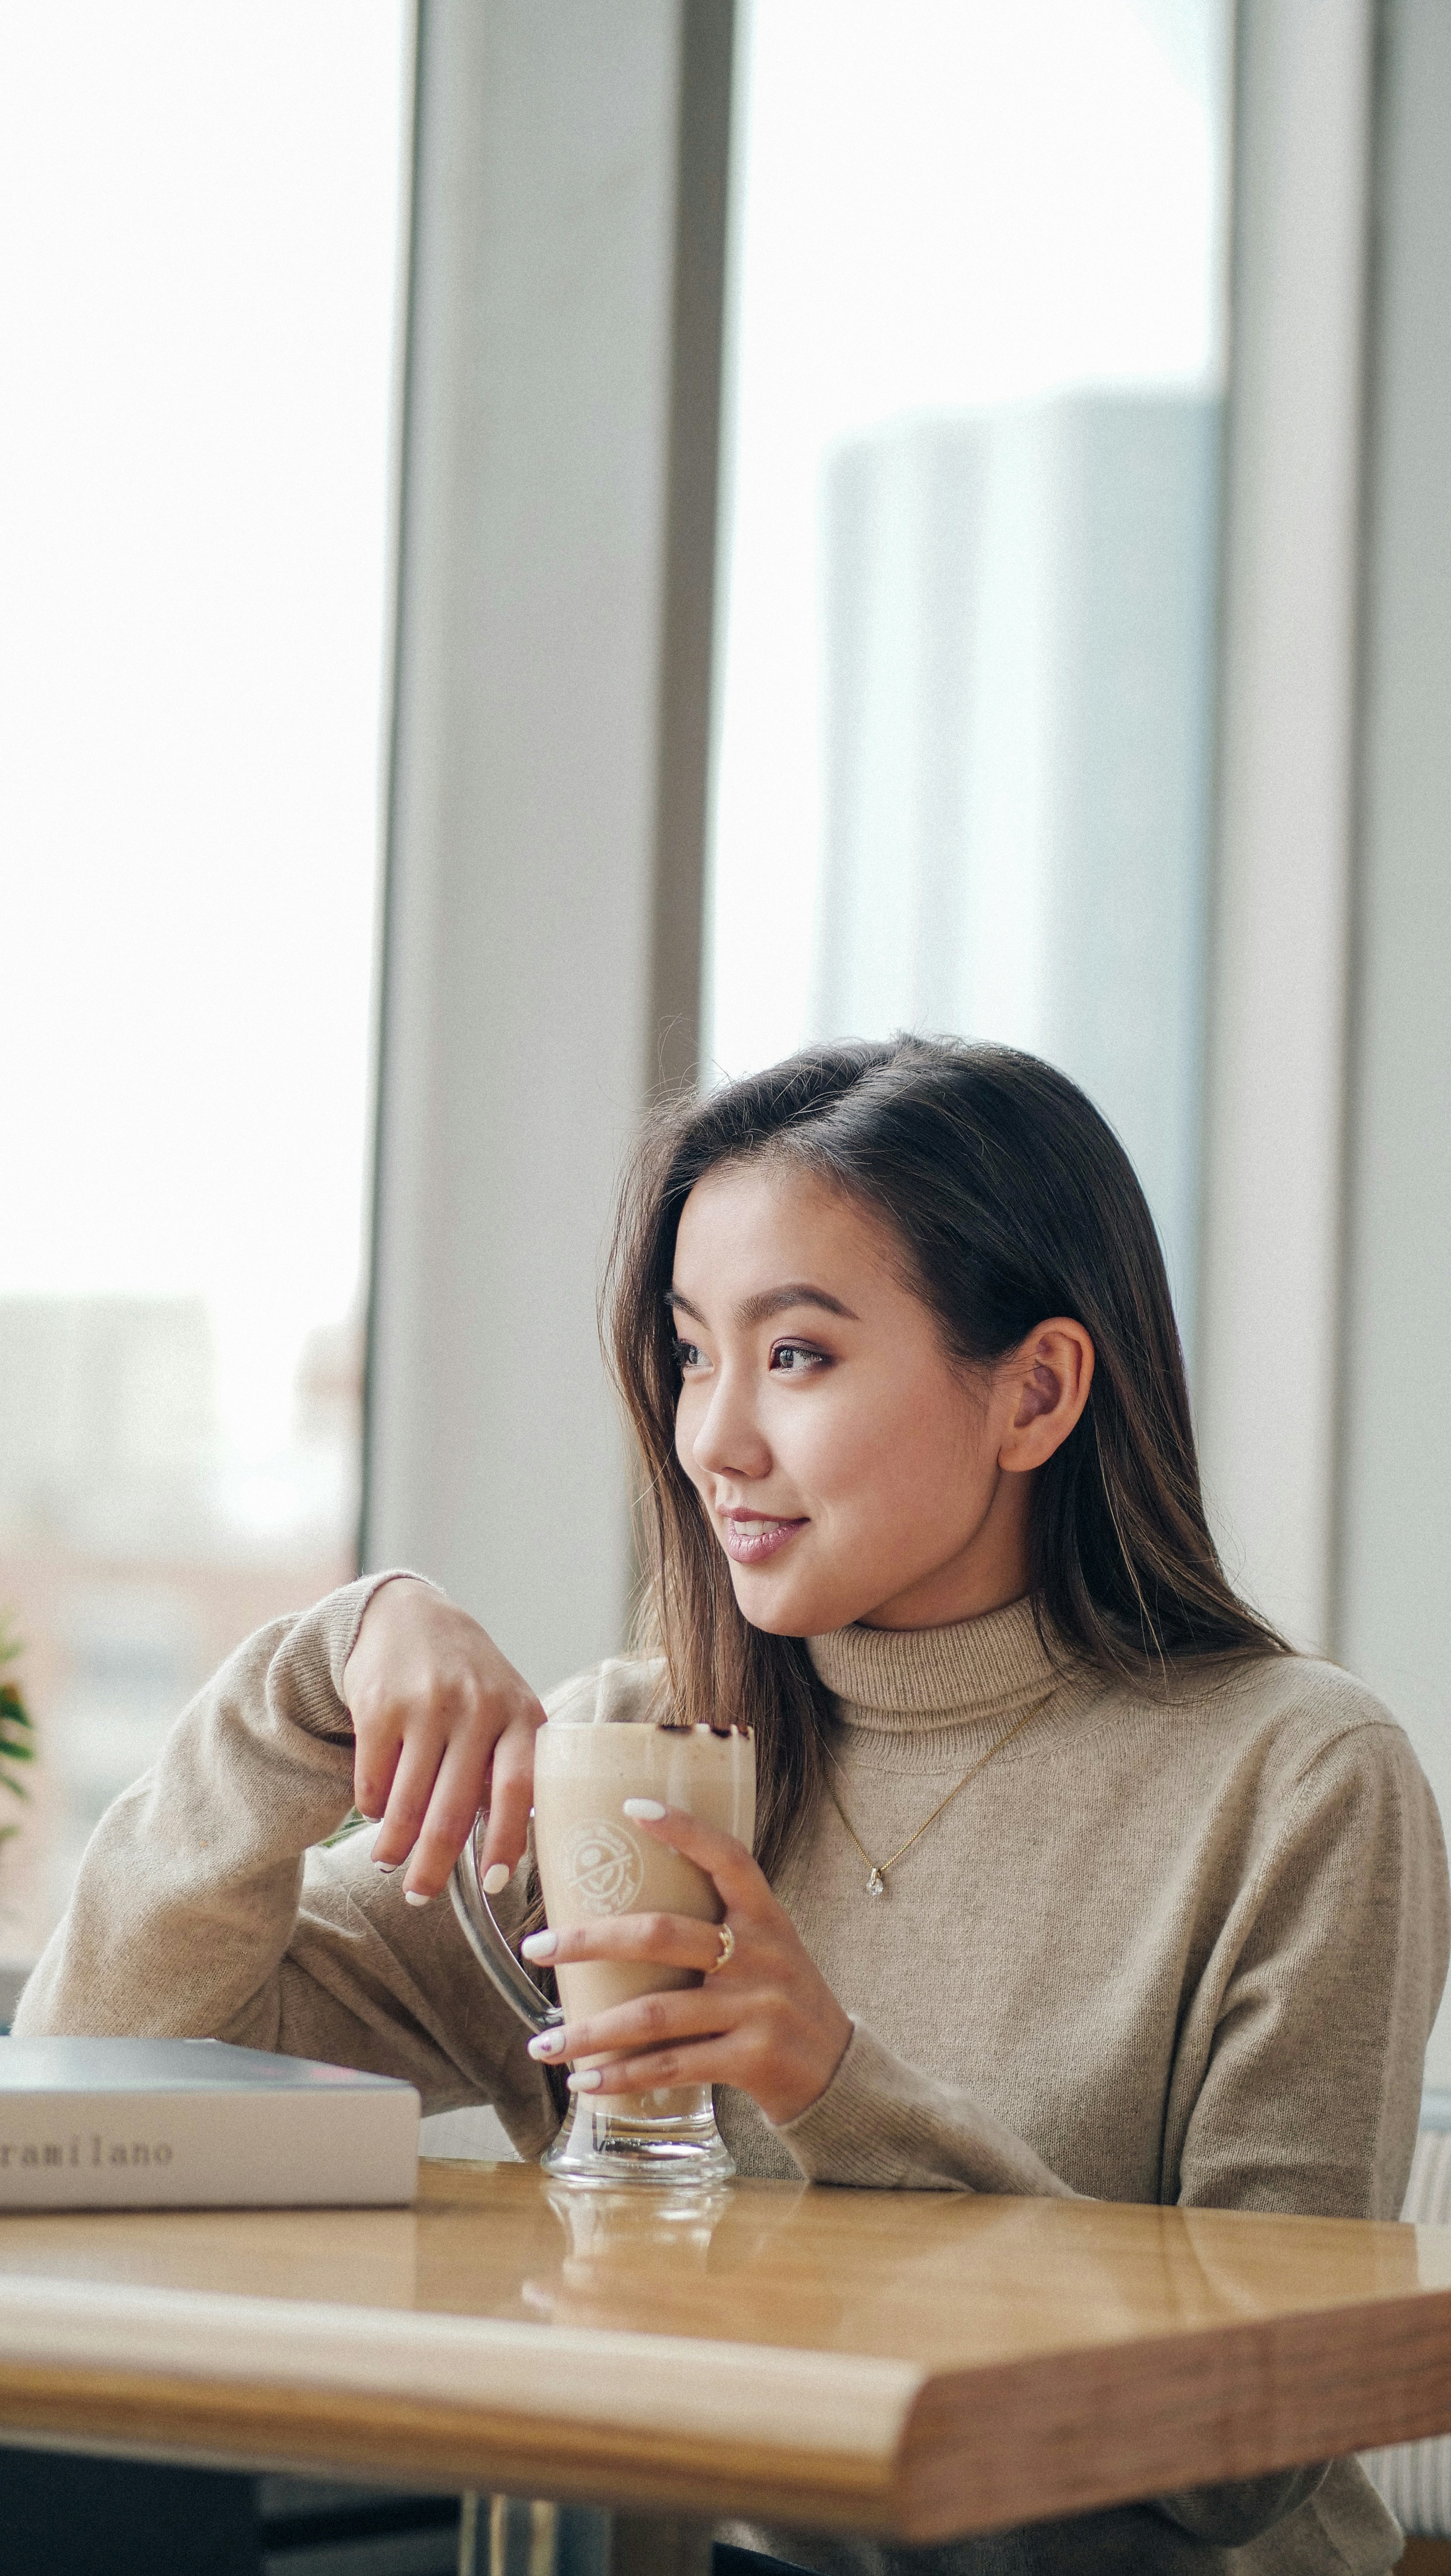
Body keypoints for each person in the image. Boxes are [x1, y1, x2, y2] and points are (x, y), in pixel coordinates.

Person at [17, 1039, 1448, 2575]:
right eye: (694, 1353)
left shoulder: (1298, 1778)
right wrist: (315, 1668)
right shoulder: (629, 1755)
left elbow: (1246, 2448)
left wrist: (836, 2084)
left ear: (1035, 1391)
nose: (714, 1439)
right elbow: (98, 2065)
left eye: (798, 1355)